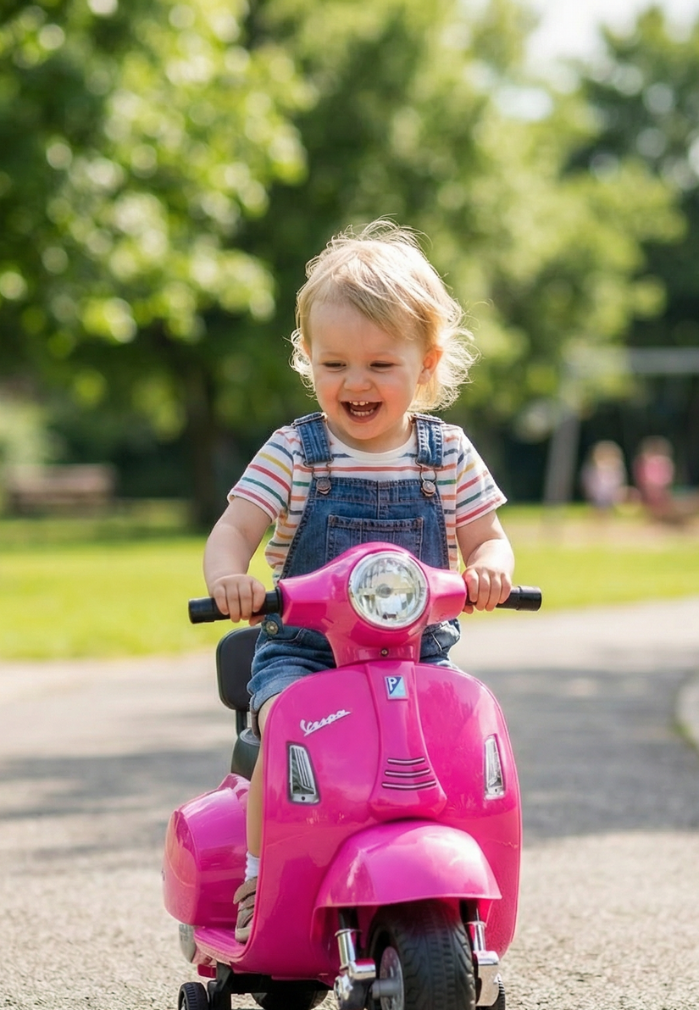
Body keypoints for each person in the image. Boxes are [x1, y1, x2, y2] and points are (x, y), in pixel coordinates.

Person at [202, 221, 515, 942]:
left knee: (465, 731)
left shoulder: (446, 454)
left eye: (380, 363)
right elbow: (234, 528)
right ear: (307, 358)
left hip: (416, 652)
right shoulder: (295, 451)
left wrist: (491, 567)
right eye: (334, 363)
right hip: (306, 650)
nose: (355, 383)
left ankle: (456, 877)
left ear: (426, 365)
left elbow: (486, 534)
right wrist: (231, 578)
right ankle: (258, 872)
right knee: (280, 724)